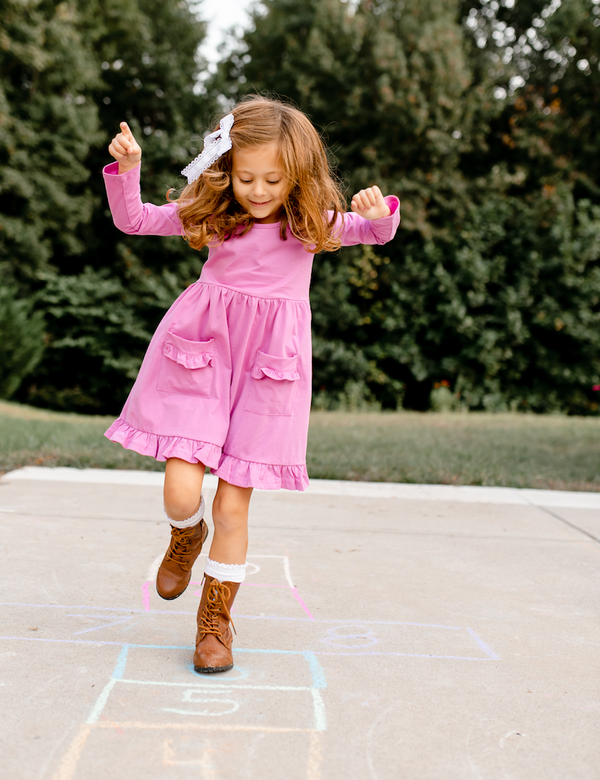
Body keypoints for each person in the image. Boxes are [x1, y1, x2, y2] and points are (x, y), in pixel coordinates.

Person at [103, 95, 400, 674]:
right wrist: (129, 166)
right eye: (246, 177)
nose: (259, 190)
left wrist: (379, 210)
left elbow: (378, 232)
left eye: (273, 179)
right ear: (226, 168)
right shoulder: (214, 214)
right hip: (201, 361)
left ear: (298, 176)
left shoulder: (311, 225)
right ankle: (185, 537)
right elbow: (134, 219)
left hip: (270, 377)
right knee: (182, 493)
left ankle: (214, 624)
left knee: (234, 505)